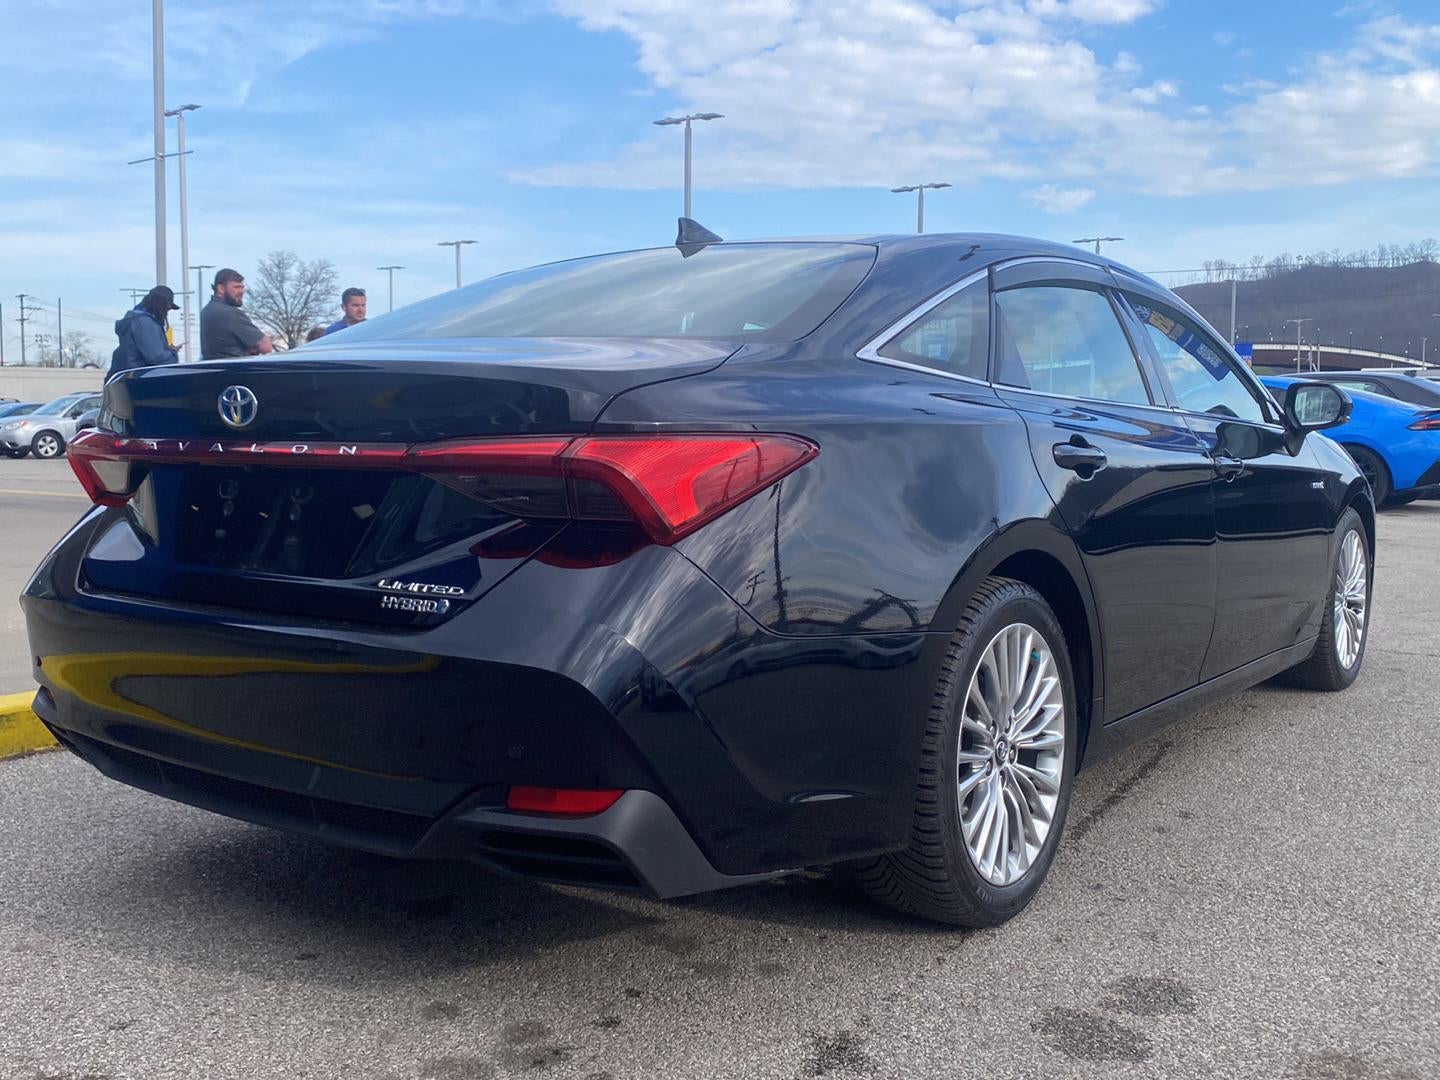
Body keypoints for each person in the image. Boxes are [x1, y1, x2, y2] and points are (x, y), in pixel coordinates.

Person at [200, 268, 274, 360]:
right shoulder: (230, 313)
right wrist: (249, 349)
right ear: (221, 288)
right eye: (237, 287)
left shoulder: (206, 311)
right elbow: (266, 347)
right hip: (236, 370)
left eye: (242, 287)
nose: (242, 291)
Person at [109, 286, 181, 378]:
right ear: (161, 305)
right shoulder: (145, 322)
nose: (167, 313)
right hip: (143, 379)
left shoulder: (135, 320)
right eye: (167, 308)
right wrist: (172, 353)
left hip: (129, 379)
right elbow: (156, 358)